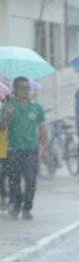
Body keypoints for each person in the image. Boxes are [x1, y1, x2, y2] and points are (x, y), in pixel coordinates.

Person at [0, 77, 47, 219]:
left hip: (31, 149)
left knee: (31, 179)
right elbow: (2, 128)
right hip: (13, 148)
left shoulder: (36, 107)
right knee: (14, 180)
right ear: (15, 90)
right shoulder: (9, 106)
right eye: (22, 88)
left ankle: (27, 207)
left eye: (27, 88)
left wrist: (45, 149)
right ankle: (16, 202)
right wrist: (7, 116)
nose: (26, 91)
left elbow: (42, 129)